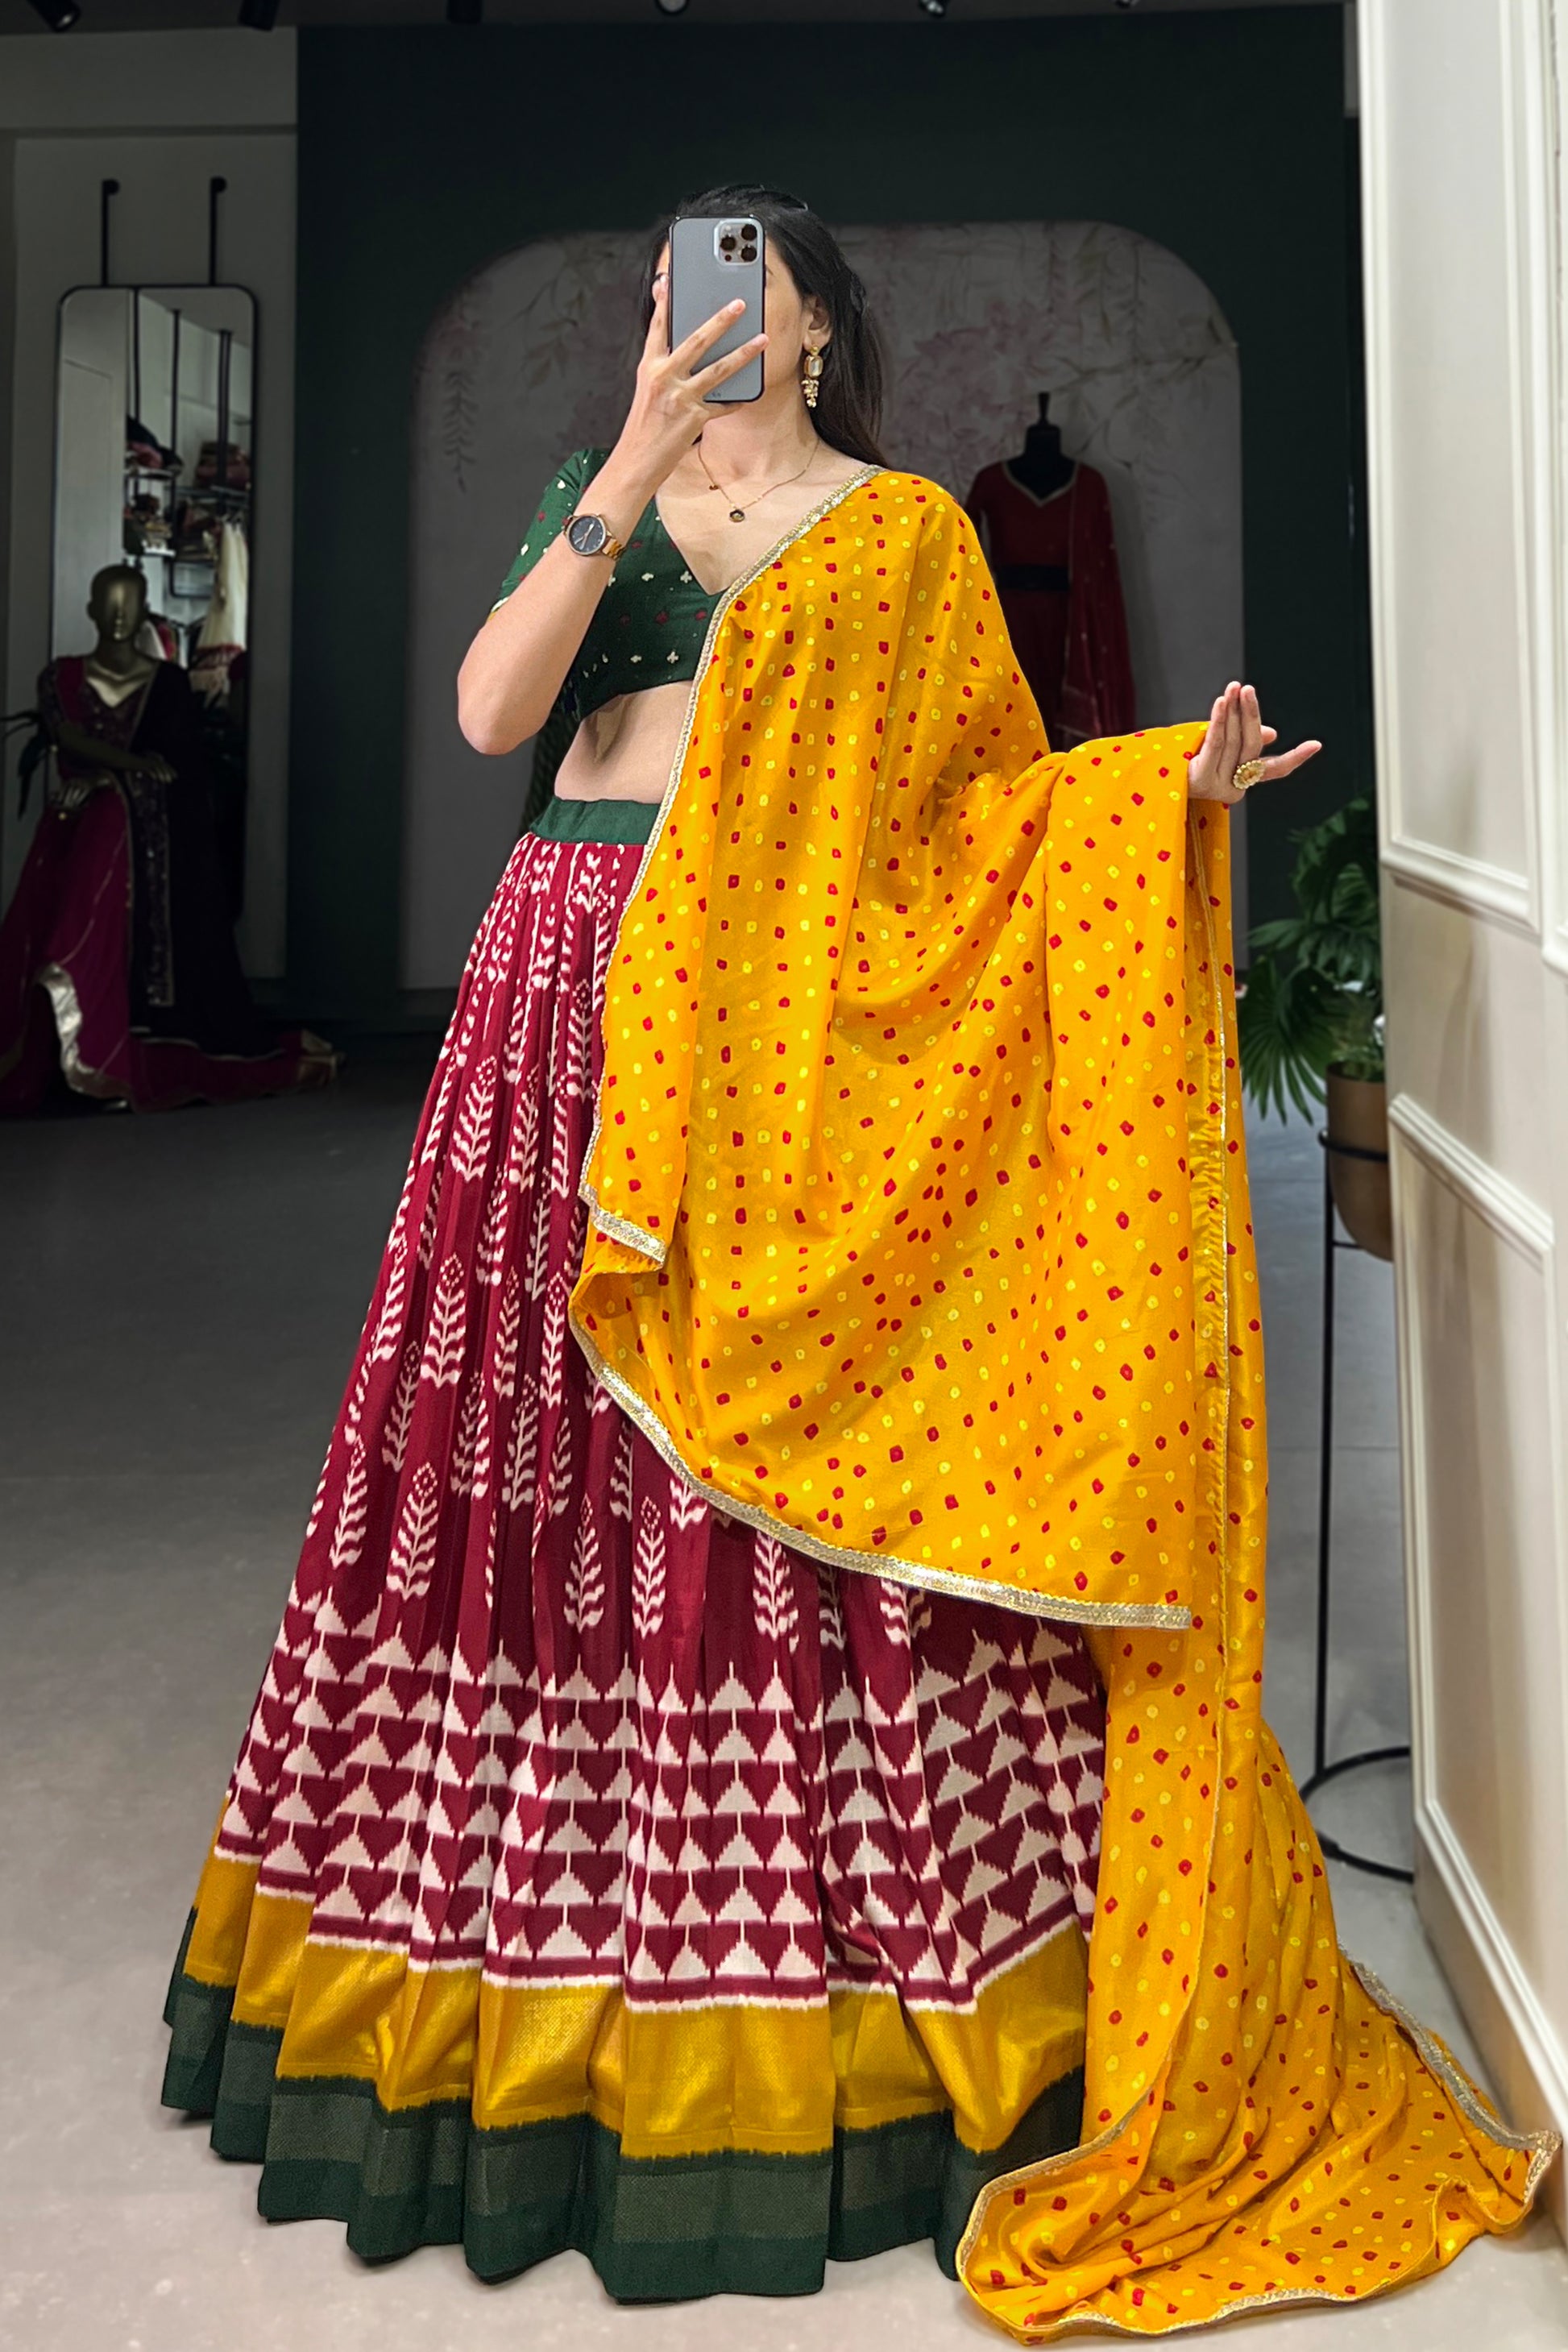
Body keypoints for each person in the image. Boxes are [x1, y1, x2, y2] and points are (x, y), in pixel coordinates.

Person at [160, 187, 1552, 2331]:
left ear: (816, 327)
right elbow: (490, 711)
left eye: (743, 287)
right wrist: (626, 464)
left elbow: (975, 820)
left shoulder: (900, 536)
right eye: (670, 288)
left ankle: (862, 1981)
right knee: (532, 1468)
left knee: (785, 1455)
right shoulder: (608, 491)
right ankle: (512, 1931)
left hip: (781, 1027)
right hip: (572, 994)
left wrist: (1161, 799)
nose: (700, 313)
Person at [0, 564, 332, 1113]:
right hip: (75, 826)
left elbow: (177, 771)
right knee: (94, 835)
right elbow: (68, 738)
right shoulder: (62, 678)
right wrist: (123, 770)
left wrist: (111, 781)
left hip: (144, 836)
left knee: (112, 820)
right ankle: (67, 1041)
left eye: (130, 602)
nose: (119, 615)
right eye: (109, 602)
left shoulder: (168, 684)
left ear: (146, 609)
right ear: (91, 609)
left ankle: (107, 1042)